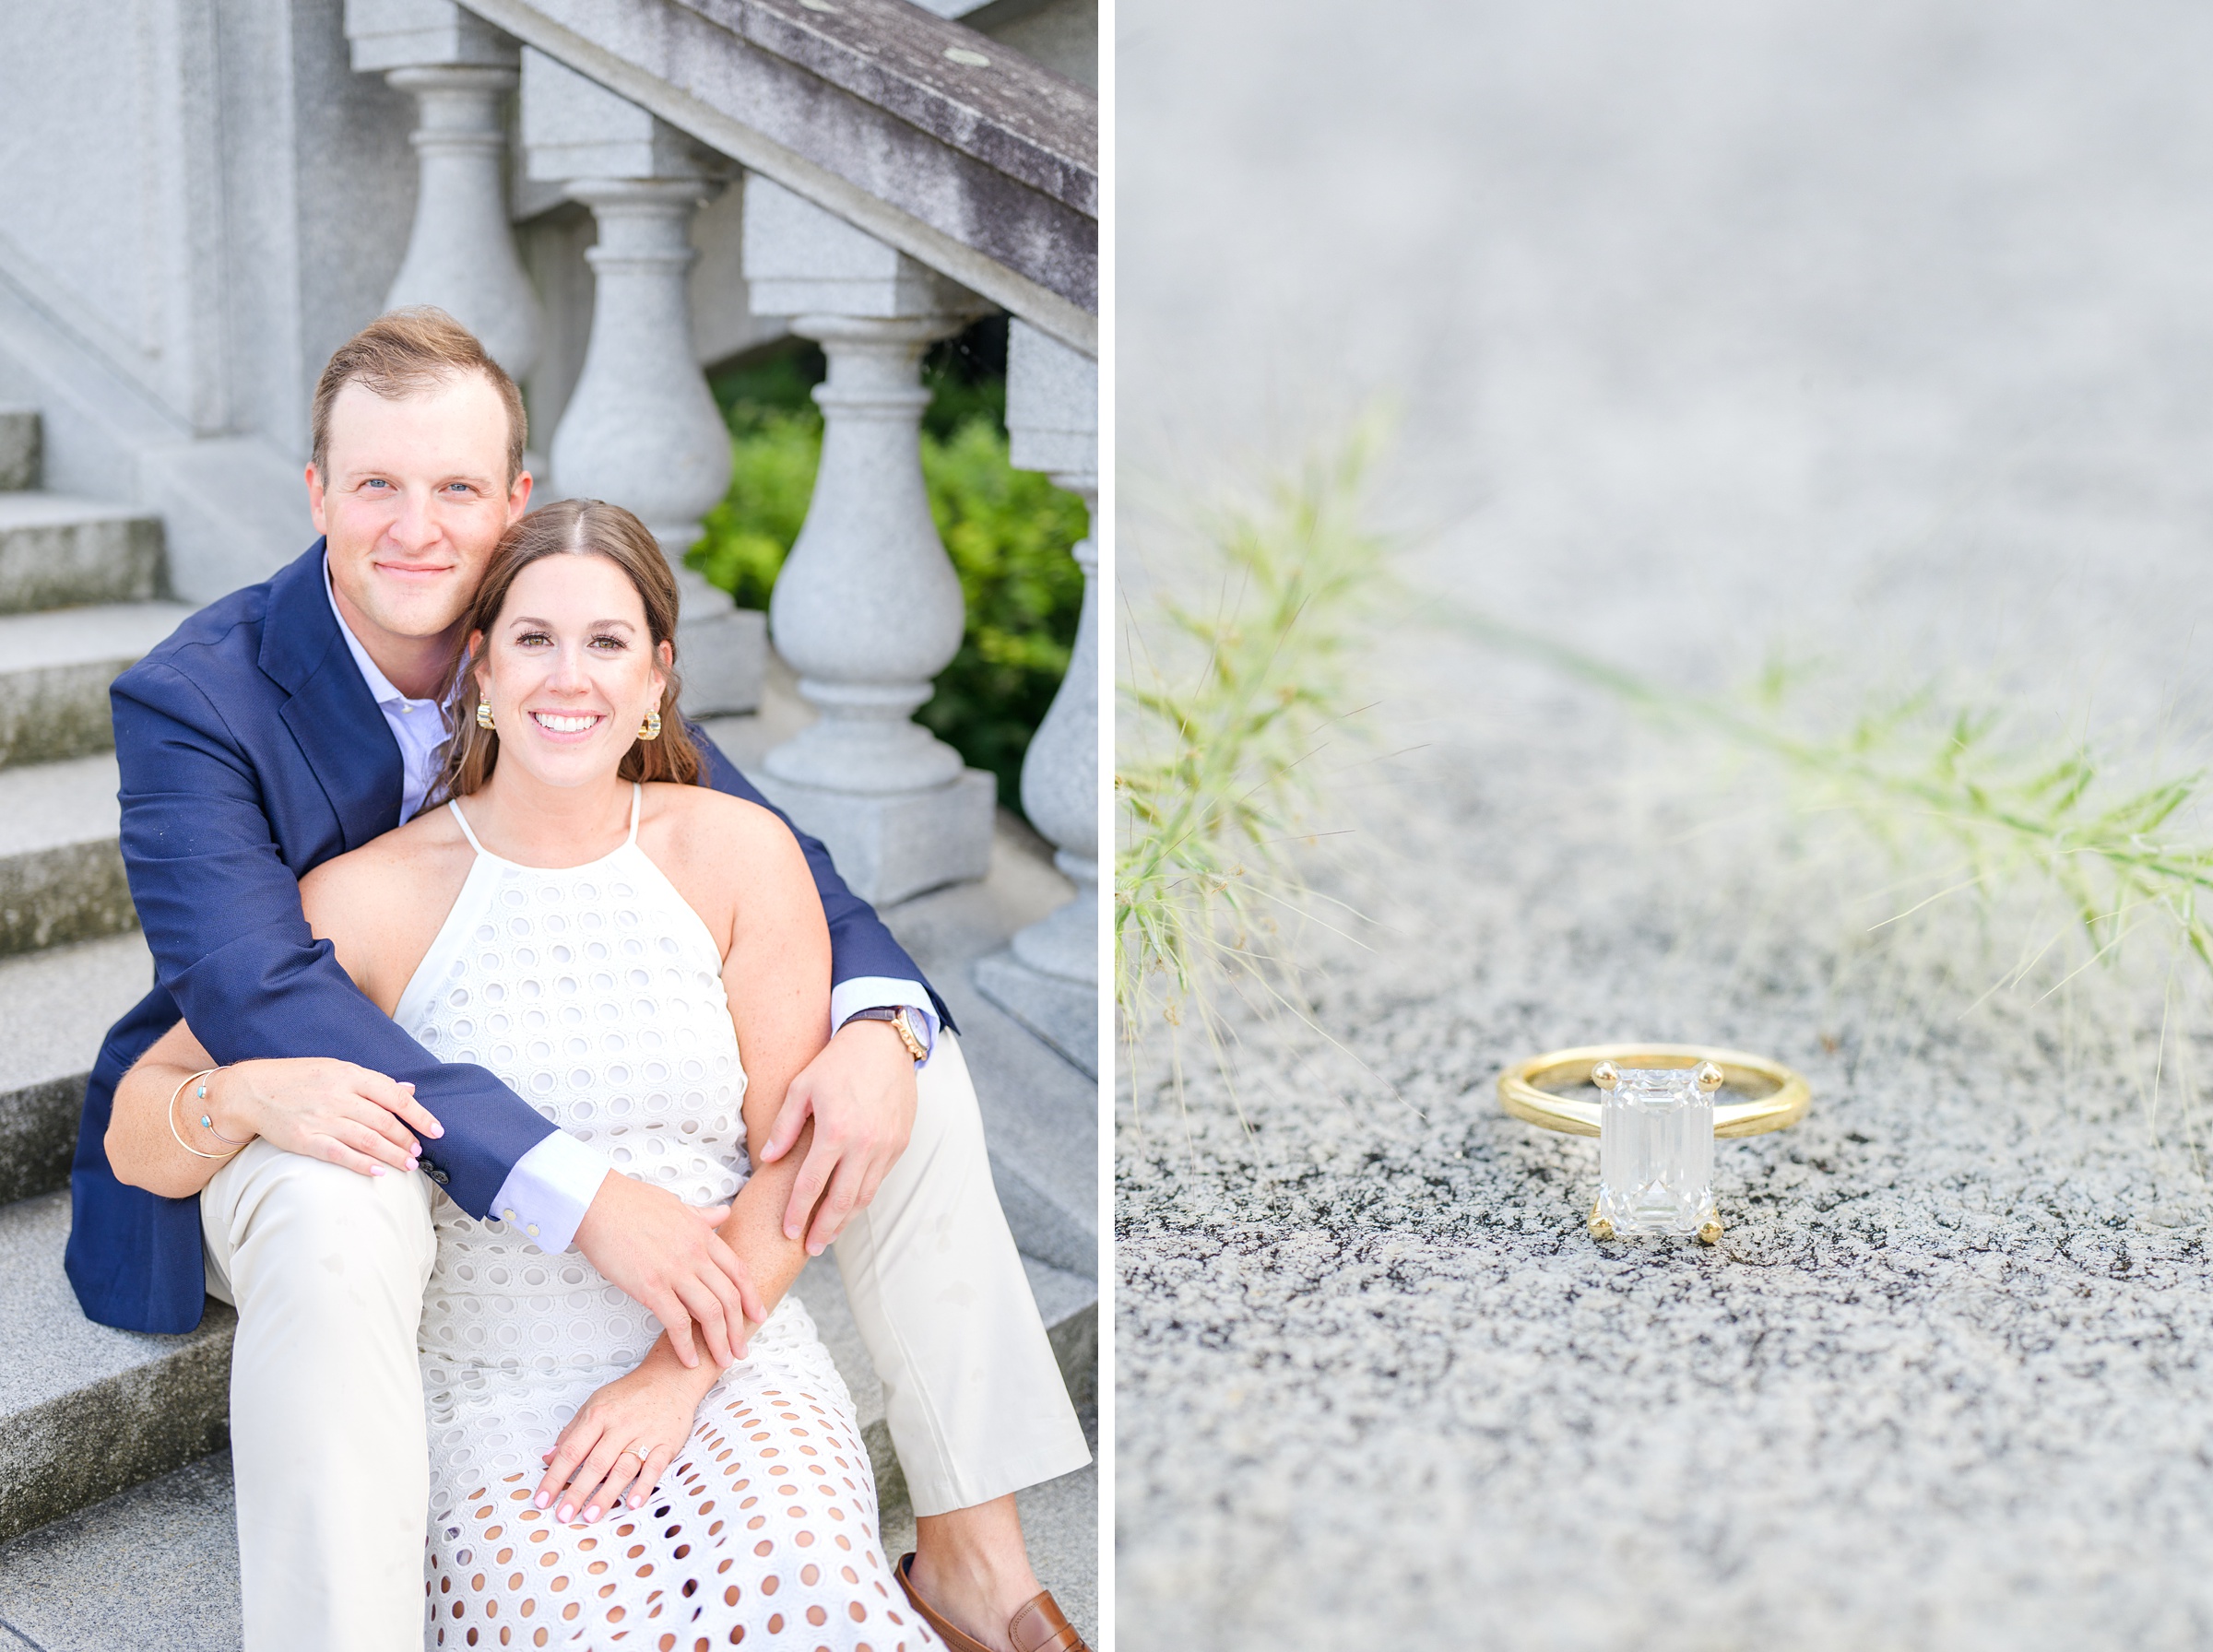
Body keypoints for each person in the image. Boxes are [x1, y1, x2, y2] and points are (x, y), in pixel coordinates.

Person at [71, 309, 1089, 1652]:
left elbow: (782, 869)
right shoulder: (200, 697)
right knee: (342, 1202)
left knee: (906, 1075)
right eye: (376, 485)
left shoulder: (555, 633)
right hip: (284, 1092)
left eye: (455, 489)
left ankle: (974, 1561)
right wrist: (584, 1190)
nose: (418, 528)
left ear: (514, 500)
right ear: (317, 492)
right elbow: (263, 996)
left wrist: (880, 1021)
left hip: (517, 1099)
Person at [112, 500, 942, 1647]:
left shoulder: (739, 854)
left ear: (656, 678)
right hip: (491, 1386)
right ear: (481, 673)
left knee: (808, 1589)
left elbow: (791, 1169)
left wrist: (670, 1378)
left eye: (606, 642)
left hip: (723, 1364)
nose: (570, 676)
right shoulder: (369, 896)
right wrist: (245, 1094)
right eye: (534, 639)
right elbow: (136, 1127)